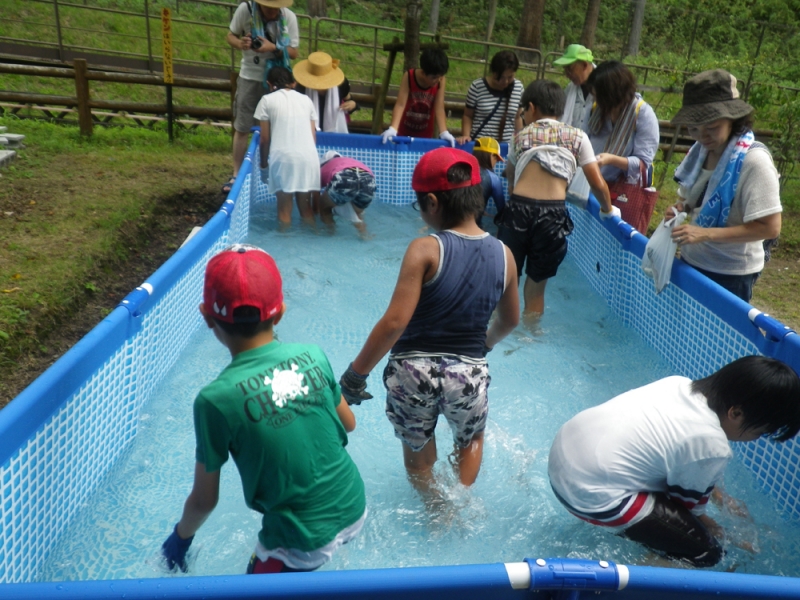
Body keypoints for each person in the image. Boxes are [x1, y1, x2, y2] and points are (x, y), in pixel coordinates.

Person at [160, 244, 366, 574]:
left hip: (301, 539)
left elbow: (204, 500)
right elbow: (350, 423)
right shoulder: (313, 355)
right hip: (354, 503)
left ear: (206, 317)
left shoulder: (215, 399)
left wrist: (180, 539)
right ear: (280, 311)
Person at [338, 148, 519, 493]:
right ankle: (462, 498)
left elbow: (394, 323)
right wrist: (487, 343)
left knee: (418, 453)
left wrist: (354, 375)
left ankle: (437, 508)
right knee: (471, 439)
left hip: (412, 371)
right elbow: (511, 319)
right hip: (467, 370)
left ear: (432, 203)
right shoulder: (504, 254)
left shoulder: (424, 249)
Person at [549, 355, 800, 567]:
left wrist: (721, 497)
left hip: (563, 455)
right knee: (706, 553)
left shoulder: (678, 384)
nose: (757, 439)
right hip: (588, 494)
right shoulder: (712, 444)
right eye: (761, 432)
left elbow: (681, 455)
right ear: (736, 412)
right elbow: (689, 512)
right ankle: (628, 578)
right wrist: (731, 538)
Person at [497, 79, 614, 319]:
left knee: (506, 280)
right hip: (552, 216)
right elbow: (597, 183)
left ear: (531, 108)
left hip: (519, 210)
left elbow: (510, 175)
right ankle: (530, 336)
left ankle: (498, 325)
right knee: (537, 288)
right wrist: (608, 210)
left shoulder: (520, 136)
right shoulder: (578, 137)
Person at [668, 69, 782, 303]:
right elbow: (694, 198)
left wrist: (705, 233)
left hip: (730, 274)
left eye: (711, 127)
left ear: (733, 118)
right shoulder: (700, 152)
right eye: (694, 128)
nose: (702, 136)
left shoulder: (753, 162)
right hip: (693, 260)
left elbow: (770, 228)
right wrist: (681, 209)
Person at [224, 0, 300, 193]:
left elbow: (293, 52)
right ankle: (236, 174)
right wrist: (241, 43)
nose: (273, 12)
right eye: (268, 8)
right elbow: (230, 35)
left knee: (277, 129)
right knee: (242, 126)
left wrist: (273, 48)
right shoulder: (245, 10)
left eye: (276, 9)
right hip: (250, 75)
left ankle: (273, 176)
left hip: (277, 79)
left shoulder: (288, 17)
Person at [254, 66, 320, 227]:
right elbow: (312, 138)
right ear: (293, 83)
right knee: (306, 209)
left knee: (284, 211)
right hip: (309, 159)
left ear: (269, 84)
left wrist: (263, 165)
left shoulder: (266, 101)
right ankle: (313, 239)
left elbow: (264, 139)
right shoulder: (306, 100)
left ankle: (284, 247)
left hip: (283, 159)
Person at [586, 61, 659, 187]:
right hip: (589, 180)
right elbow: (584, 138)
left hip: (621, 189)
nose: (595, 100)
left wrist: (611, 159)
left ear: (612, 94)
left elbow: (642, 163)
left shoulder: (643, 114)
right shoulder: (596, 109)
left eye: (599, 96)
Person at [381, 48, 456, 147]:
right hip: (404, 132)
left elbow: (439, 108)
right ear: (423, 73)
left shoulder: (440, 80)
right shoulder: (409, 76)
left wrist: (444, 132)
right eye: (434, 77)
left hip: (425, 134)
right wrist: (393, 128)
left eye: (440, 76)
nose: (437, 80)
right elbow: (400, 104)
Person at [457, 50, 524, 145]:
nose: (505, 82)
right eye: (501, 77)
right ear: (493, 72)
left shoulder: (518, 87)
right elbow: (468, 115)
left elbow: (517, 117)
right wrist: (466, 135)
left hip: (507, 147)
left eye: (510, 77)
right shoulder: (477, 87)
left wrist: (520, 140)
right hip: (481, 146)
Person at [294, 51, 358, 133]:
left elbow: (348, 99)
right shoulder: (301, 87)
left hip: (334, 134)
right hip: (306, 131)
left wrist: (353, 104)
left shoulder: (340, 85)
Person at [315, 150, 376, 235]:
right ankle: (365, 234)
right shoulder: (351, 161)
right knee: (357, 214)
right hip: (369, 181)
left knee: (323, 206)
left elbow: (315, 194)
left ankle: (330, 233)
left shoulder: (323, 169)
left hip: (345, 177)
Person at [553, 44, 595, 130]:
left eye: (569, 69)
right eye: (565, 70)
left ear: (584, 65)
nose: (567, 74)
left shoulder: (605, 88)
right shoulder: (570, 89)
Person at [471, 136, 506, 228]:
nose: (496, 163)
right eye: (496, 159)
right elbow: (502, 212)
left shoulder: (462, 169)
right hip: (473, 228)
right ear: (492, 155)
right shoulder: (493, 178)